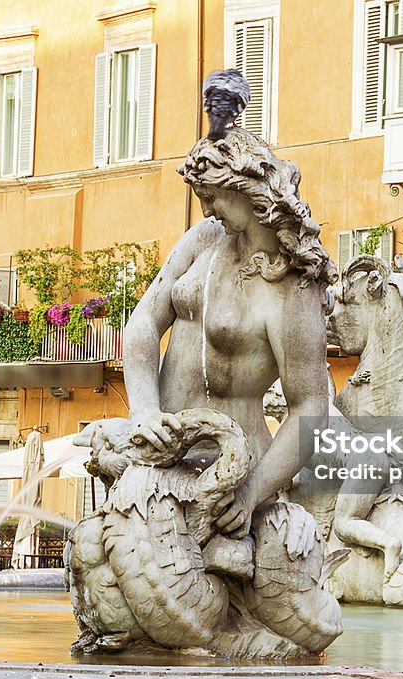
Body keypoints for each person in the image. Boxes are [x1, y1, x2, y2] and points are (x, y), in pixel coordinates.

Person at [123, 126, 336, 547]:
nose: (205, 211)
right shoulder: (204, 241)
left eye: (211, 197)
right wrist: (144, 413)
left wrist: (251, 491)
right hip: (161, 458)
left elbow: (311, 406)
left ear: (243, 188)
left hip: (232, 478)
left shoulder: (295, 286)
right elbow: (143, 323)